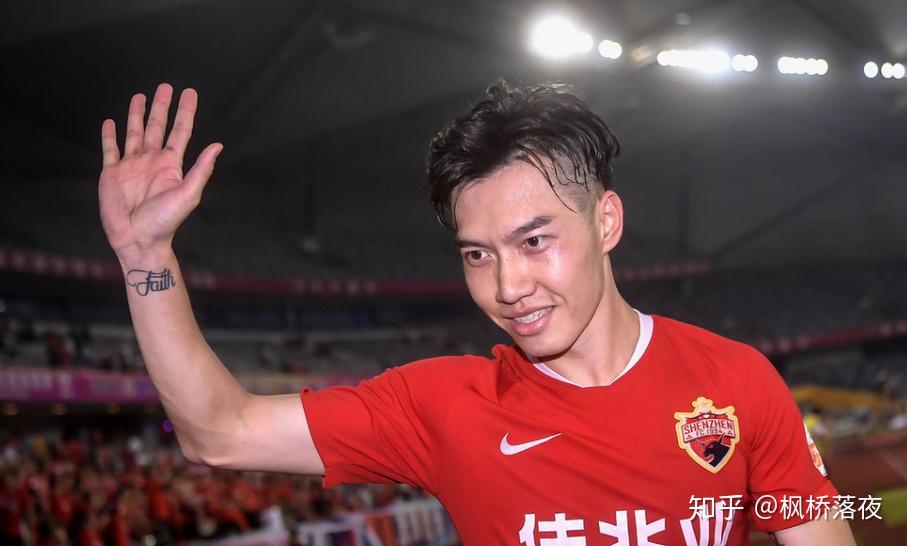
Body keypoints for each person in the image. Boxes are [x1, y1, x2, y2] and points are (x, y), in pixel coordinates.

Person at [98, 81, 857, 545]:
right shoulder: (442, 406)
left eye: (534, 241)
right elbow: (219, 432)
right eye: (476, 254)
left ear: (606, 221)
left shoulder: (736, 381)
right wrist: (146, 258)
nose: (507, 285)